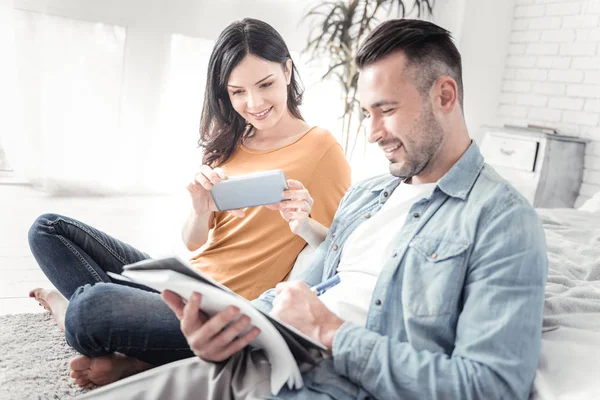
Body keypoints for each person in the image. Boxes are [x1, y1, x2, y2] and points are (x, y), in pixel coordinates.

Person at [75, 18, 548, 400]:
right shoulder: (369, 195)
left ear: (445, 95)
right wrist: (221, 335)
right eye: (367, 113)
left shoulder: (501, 221)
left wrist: (331, 332)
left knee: (93, 309)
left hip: (328, 381)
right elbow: (297, 286)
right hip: (254, 359)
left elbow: (491, 386)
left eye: (386, 110)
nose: (373, 132)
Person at [27, 18, 351, 388]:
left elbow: (341, 250)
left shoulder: (322, 149)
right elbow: (196, 243)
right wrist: (200, 208)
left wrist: (304, 222)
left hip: (220, 311)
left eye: (265, 85)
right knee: (46, 229)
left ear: (288, 71)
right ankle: (134, 351)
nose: (254, 103)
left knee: (89, 307)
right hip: (184, 281)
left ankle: (79, 316)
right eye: (238, 92)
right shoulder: (230, 143)